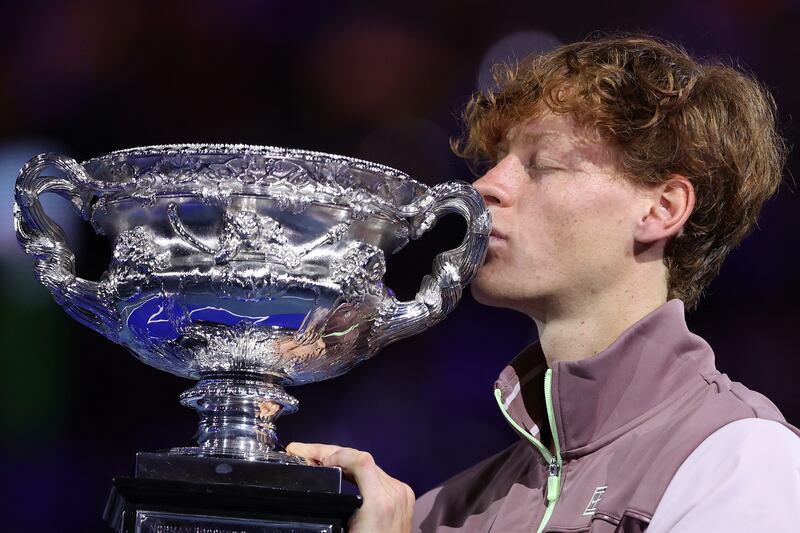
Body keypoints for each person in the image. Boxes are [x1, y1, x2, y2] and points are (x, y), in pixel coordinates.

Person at [286, 33, 800, 532]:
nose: (484, 186)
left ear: (661, 208)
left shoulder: (741, 458)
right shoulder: (445, 511)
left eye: (542, 165)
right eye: (496, 162)